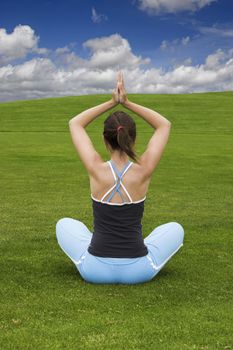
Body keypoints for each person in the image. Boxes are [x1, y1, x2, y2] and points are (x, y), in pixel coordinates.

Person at [56, 71, 185, 284]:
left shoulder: (95, 168)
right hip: (138, 270)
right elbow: (164, 125)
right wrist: (127, 103)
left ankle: (96, 246)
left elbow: (75, 123)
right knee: (175, 228)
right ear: (132, 139)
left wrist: (111, 102)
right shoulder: (144, 170)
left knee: (64, 224)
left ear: (105, 140)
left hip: (94, 269)